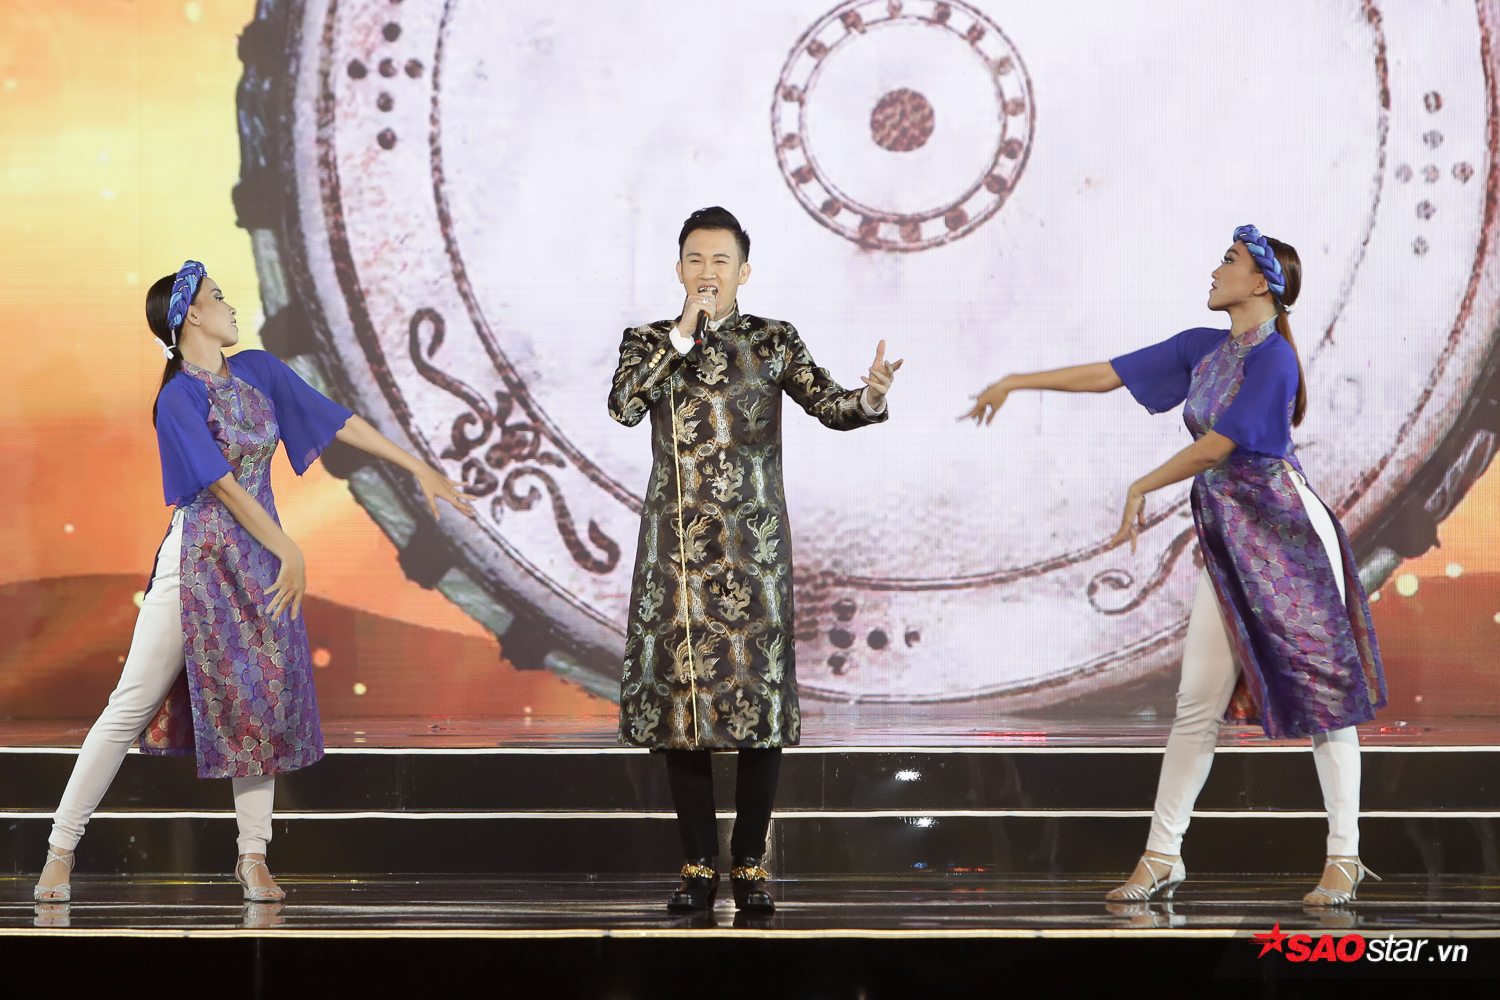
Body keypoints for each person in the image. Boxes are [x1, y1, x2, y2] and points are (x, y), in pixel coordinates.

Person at [966, 226, 1385, 906]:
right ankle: (1162, 855)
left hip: (1289, 538)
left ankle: (1345, 857)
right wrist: (1017, 381)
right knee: (1197, 701)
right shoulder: (1203, 347)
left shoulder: (1275, 357)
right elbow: (1109, 374)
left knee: (1326, 696)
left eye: (1230, 261)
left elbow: (1217, 447)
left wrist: (1142, 485)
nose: (1216, 270)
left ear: (1261, 283)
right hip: (1232, 542)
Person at [33, 262, 473, 903]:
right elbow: (221, 486)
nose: (230, 305)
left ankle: (253, 856)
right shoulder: (178, 398)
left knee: (260, 702)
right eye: (217, 297)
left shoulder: (259, 371)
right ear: (190, 316)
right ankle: (60, 849)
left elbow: (337, 419)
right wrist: (287, 545)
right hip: (198, 562)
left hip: (259, 562)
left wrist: (417, 468)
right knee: (131, 704)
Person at [609, 207, 901, 914]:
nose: (707, 272)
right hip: (677, 557)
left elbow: (830, 405)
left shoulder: (773, 340)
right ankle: (697, 865)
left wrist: (870, 395)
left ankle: (748, 863)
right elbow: (624, 406)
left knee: (758, 706)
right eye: (696, 260)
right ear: (679, 269)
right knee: (683, 711)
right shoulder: (649, 341)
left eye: (721, 261)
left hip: (753, 552)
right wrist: (682, 336)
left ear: (744, 272)